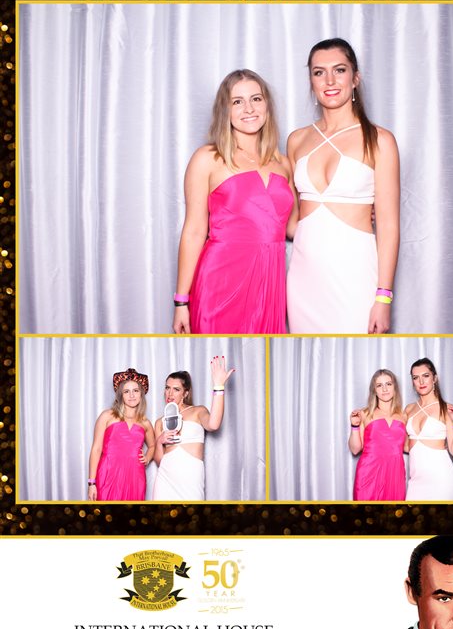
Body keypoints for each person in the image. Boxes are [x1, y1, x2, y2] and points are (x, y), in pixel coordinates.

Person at [286, 38, 400, 334]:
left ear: (355, 78)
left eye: (339, 70)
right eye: (319, 72)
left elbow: (388, 226)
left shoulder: (380, 140)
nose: (330, 80)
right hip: (303, 281)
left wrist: (383, 297)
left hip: (356, 276)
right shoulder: (296, 140)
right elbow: (292, 220)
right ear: (311, 81)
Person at [172, 69, 297, 335]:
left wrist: (349, 211)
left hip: (269, 281)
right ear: (225, 110)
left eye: (256, 99)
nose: (249, 108)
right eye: (237, 101)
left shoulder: (284, 164)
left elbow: (294, 228)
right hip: (221, 280)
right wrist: (181, 301)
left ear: (267, 105)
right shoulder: (207, 158)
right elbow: (194, 232)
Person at [152, 355, 235, 500]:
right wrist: (159, 441)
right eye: (167, 388)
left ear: (185, 393)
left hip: (191, 476)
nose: (170, 393)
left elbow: (214, 424)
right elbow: (160, 461)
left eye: (176, 389)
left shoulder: (198, 411)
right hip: (165, 479)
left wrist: (218, 386)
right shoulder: (160, 421)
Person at [88, 368, 155, 501]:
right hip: (108, 474)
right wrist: (91, 483)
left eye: (135, 391)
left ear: (141, 394)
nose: (132, 395)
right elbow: (96, 449)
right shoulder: (107, 416)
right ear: (121, 395)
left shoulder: (145, 423)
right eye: (126, 391)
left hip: (135, 476)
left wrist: (147, 457)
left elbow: (153, 446)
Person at [405, 357, 453, 500]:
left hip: (442, 480)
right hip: (415, 482)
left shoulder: (446, 408)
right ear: (412, 382)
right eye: (416, 378)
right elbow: (405, 446)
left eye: (426, 376)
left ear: (435, 378)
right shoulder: (408, 409)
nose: (421, 381)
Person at [349, 368, 406, 501]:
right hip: (369, 473)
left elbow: (408, 446)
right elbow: (355, 449)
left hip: (395, 474)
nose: (385, 389)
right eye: (379, 385)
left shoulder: (403, 416)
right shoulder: (364, 414)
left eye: (388, 384)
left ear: (395, 387)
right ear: (374, 390)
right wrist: (355, 426)